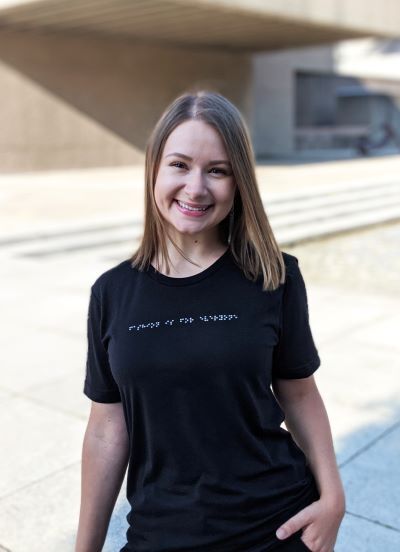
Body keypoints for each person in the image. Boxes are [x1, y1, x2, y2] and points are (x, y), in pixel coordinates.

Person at [75, 90, 346, 552]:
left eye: (217, 170)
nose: (196, 188)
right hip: (160, 532)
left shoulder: (274, 277)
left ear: (238, 182)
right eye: (179, 165)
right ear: (154, 171)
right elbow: (106, 429)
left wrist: (334, 498)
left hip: (275, 528)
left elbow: (299, 392)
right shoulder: (112, 293)